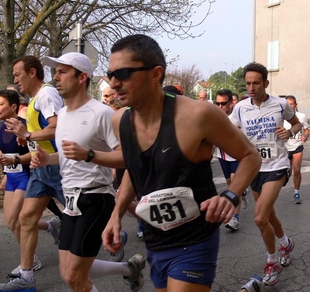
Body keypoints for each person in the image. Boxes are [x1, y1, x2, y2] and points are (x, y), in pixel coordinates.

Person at [102, 34, 261, 291]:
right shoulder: (119, 120)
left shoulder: (198, 115)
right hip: (155, 241)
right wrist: (116, 215)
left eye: (123, 73)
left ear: (156, 74)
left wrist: (231, 195)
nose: (113, 83)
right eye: (110, 74)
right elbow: (136, 168)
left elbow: (250, 155)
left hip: (195, 239)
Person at [27, 52, 146, 292]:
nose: (55, 78)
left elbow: (126, 157)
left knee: (74, 275)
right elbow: (67, 154)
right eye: (55, 72)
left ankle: (129, 269)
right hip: (70, 200)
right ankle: (129, 269)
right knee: (68, 271)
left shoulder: (101, 113)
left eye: (62, 72)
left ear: (82, 77)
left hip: (95, 198)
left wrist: (89, 154)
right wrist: (46, 159)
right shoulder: (61, 115)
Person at [229, 62, 302, 286]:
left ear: (265, 83)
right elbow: (230, 129)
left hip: (277, 166)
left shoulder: (280, 105)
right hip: (254, 168)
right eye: (248, 83)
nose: (251, 87)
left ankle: (271, 262)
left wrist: (289, 131)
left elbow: (297, 124)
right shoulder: (241, 108)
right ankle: (286, 242)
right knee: (269, 215)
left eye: (256, 83)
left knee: (260, 217)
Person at [0, 56, 65, 292]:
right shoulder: (36, 99)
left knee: (82, 214)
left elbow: (57, 128)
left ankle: (115, 231)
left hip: (58, 167)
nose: (15, 80)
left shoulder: (47, 95)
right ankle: (27, 277)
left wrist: (26, 134)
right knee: (25, 219)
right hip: (40, 167)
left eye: (18, 74)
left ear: (32, 73)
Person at [214, 89, 249, 232]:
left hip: (236, 155)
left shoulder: (238, 115)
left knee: (234, 185)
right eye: (218, 103)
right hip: (222, 156)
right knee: (230, 184)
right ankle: (243, 192)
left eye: (223, 103)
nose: (220, 106)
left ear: (230, 102)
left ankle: (235, 218)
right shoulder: (213, 116)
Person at [284, 95, 310, 204]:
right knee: (288, 172)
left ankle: (296, 193)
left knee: (297, 169)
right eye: (287, 105)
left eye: (292, 104)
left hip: (297, 146)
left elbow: (307, 130)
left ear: (295, 105)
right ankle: (285, 177)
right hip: (285, 148)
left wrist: (305, 136)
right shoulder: (281, 117)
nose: (290, 106)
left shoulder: (301, 116)